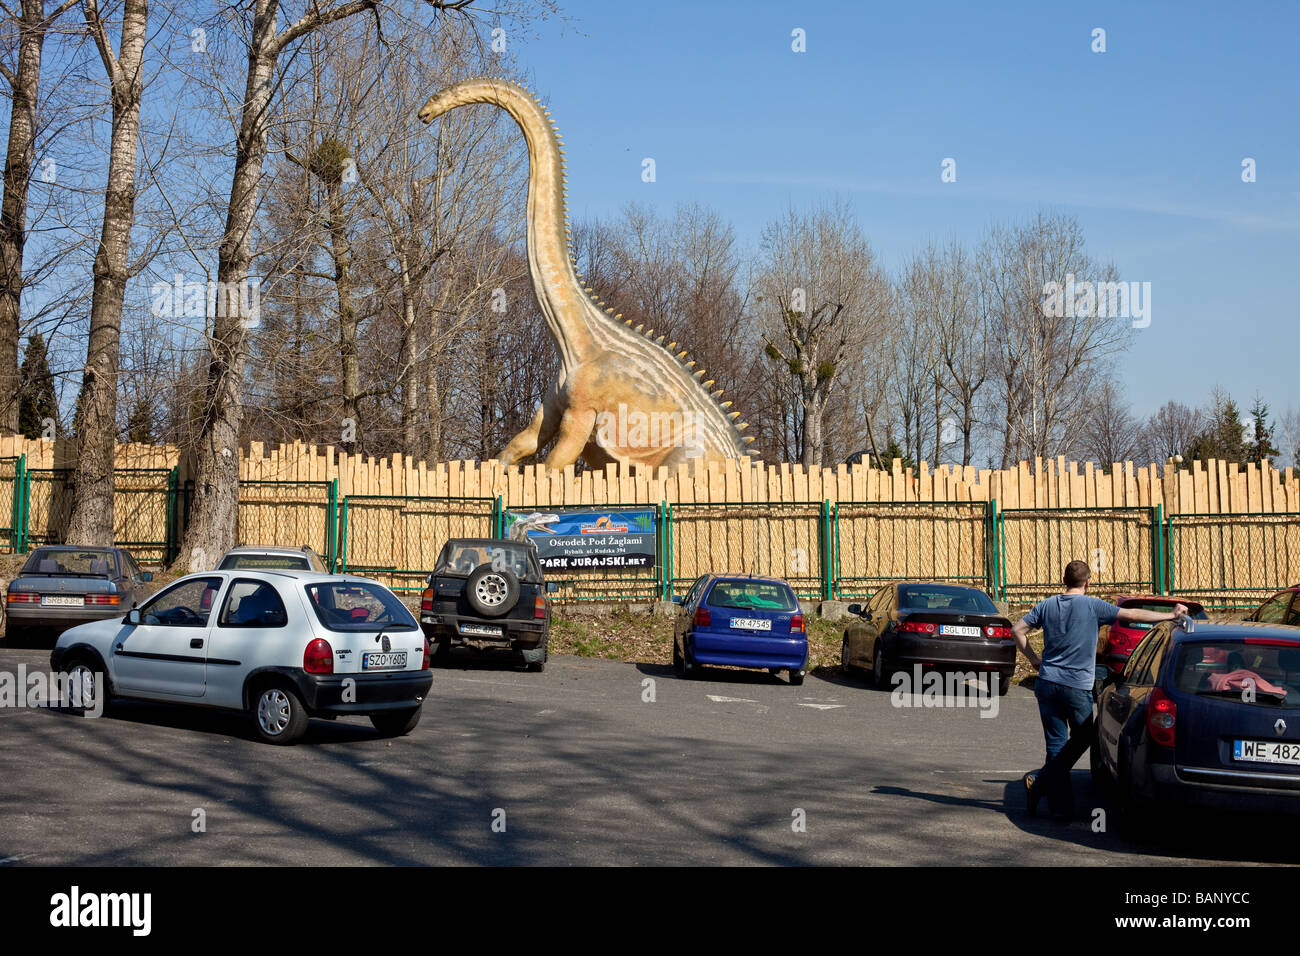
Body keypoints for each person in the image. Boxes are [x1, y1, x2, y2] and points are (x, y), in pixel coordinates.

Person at [1011, 560, 1186, 821]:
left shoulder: (1047, 605)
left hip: (1047, 683)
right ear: (1088, 582)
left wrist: (1035, 659)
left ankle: (1058, 807)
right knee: (1083, 738)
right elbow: (1134, 615)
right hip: (1076, 686)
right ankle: (1041, 781)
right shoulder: (1093, 605)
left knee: (1056, 744)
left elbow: (1017, 630)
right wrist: (1171, 615)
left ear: (1063, 581)